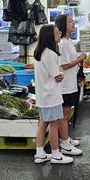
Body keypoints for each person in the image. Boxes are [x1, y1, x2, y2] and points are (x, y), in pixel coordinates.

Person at [33, 24, 72, 164]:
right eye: (56, 32)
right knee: (54, 125)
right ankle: (56, 154)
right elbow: (56, 75)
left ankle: (40, 153)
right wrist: (60, 76)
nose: (59, 34)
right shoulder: (51, 54)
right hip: (51, 96)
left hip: (42, 95)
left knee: (43, 123)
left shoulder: (39, 52)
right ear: (50, 36)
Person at [54, 14, 85, 156]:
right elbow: (65, 65)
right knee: (64, 115)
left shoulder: (68, 41)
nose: (73, 23)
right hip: (65, 85)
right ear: (62, 25)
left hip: (70, 84)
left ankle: (65, 138)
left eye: (73, 21)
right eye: (70, 21)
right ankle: (65, 144)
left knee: (67, 114)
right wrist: (81, 59)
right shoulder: (62, 43)